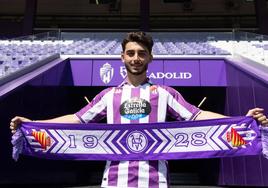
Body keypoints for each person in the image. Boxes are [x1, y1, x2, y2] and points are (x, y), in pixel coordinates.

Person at [10, 32, 268, 188]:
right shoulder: (108, 95)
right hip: (113, 180)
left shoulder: (165, 93)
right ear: (122, 57)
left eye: (141, 53)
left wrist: (241, 121)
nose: (136, 58)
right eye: (130, 53)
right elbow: (75, 119)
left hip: (155, 180)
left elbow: (199, 117)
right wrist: (34, 122)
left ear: (150, 58)